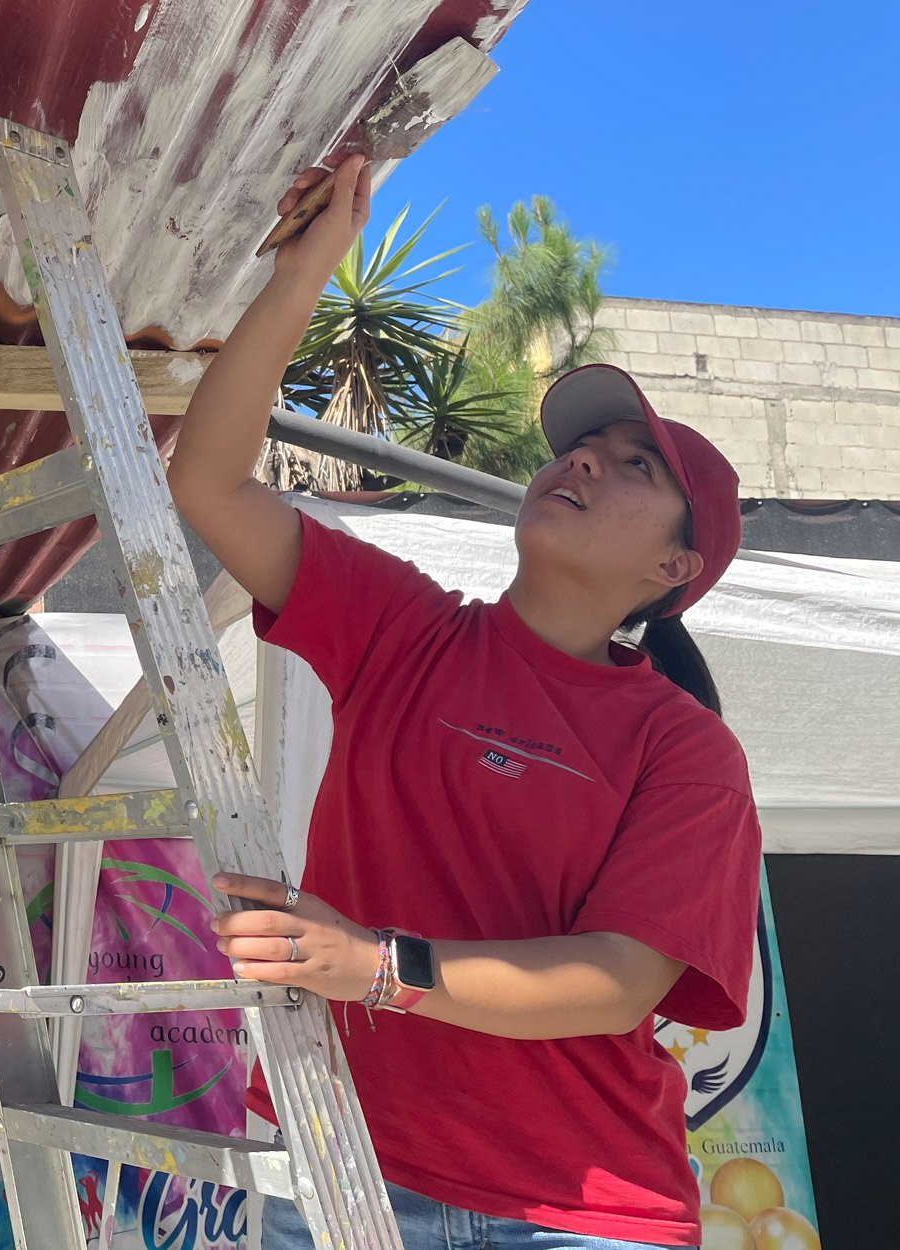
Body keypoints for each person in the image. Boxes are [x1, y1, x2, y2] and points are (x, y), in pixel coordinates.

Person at [167, 156, 761, 1249]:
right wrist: (303, 275)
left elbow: (614, 982)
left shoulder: (684, 751)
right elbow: (205, 481)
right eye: (579, 443)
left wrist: (374, 965)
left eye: (632, 462)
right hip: (336, 1167)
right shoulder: (403, 626)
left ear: (675, 567)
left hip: (583, 1212)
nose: (580, 458)